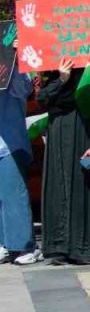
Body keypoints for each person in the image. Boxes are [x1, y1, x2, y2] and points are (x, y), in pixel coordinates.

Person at [33, 57, 90, 265]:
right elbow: (43, 100)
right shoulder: (55, 73)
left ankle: (85, 246)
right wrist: (62, 79)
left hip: (83, 136)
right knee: (60, 187)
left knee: (83, 188)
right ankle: (60, 246)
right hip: (58, 138)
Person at [0, 62, 37, 264]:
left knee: (13, 194)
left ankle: (24, 245)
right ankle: (4, 243)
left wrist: (15, 61)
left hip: (9, 142)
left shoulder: (15, 64)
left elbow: (25, 89)